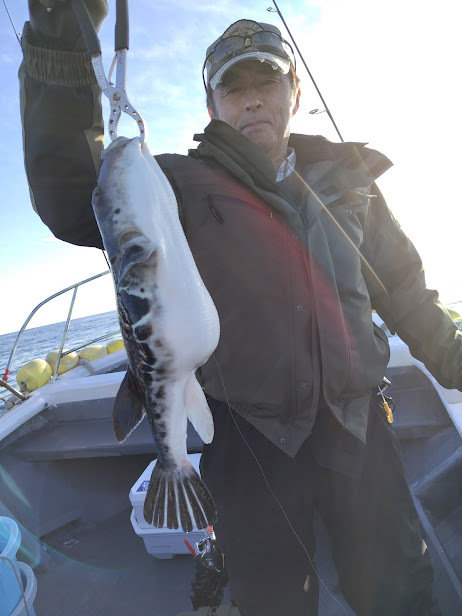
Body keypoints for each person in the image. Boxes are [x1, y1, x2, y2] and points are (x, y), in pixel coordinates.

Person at [19, 2, 462, 615]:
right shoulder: (174, 185)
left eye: (267, 81)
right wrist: (60, 38)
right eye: (233, 87)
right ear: (211, 106)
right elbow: (74, 194)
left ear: (294, 92)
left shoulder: (351, 182)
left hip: (358, 426)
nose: (252, 99)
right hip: (251, 441)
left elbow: (407, 290)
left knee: (400, 593)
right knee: (271, 602)